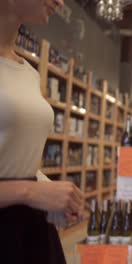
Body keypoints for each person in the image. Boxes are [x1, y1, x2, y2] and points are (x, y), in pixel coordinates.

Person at [0, 1, 85, 263]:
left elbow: (15, 158)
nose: (60, 2)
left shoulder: (29, 73)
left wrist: (49, 190)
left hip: (32, 230)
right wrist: (30, 191)